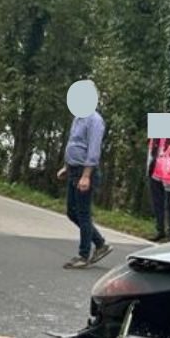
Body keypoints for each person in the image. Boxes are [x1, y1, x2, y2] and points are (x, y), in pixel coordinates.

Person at [58, 108, 112, 269]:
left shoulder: (95, 120)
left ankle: (83, 255)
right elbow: (73, 144)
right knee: (71, 212)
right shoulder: (78, 118)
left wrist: (86, 175)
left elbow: (94, 150)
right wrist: (66, 167)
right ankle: (100, 244)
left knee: (83, 213)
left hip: (85, 171)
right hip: (74, 170)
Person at [147, 138, 167, 241]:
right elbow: (151, 152)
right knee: (157, 203)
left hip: (169, 173)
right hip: (154, 172)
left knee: (169, 204)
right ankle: (160, 229)